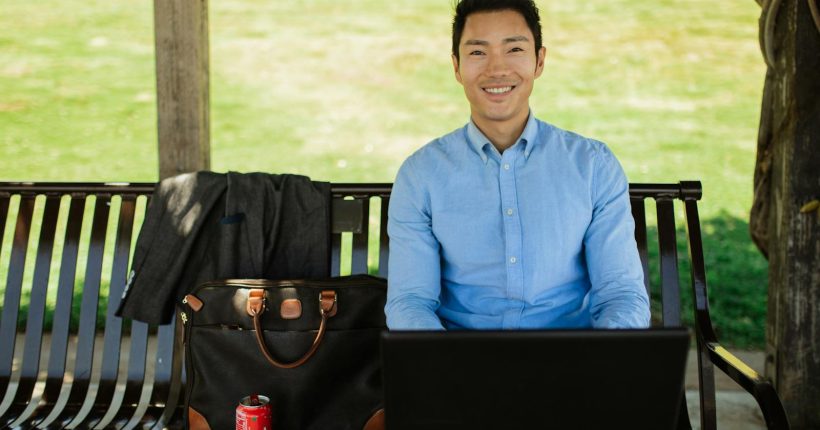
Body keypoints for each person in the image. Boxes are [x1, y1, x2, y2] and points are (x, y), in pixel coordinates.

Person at [385, 0, 651, 330]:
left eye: (514, 49)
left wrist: (603, 357)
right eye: (478, 52)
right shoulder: (421, 175)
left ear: (539, 61)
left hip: (572, 355)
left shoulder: (593, 166)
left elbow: (621, 295)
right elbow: (411, 301)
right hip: (460, 355)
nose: (497, 69)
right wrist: (443, 359)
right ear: (456, 66)